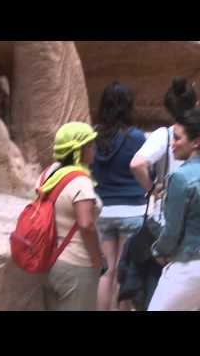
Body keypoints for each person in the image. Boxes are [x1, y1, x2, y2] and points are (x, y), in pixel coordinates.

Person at [90, 81, 147, 311]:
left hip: (102, 210)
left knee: (107, 271)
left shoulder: (91, 136)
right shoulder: (137, 138)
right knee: (125, 273)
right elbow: (145, 169)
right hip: (132, 211)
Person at [36, 122, 104, 311]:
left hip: (49, 261)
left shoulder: (48, 174)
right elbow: (86, 224)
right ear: (79, 150)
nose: (94, 149)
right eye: (90, 145)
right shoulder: (80, 182)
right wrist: (97, 259)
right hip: (77, 265)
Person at [147, 109, 200, 311]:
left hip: (188, 264)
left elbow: (172, 231)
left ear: (196, 142)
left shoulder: (180, 178)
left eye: (177, 138)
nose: (172, 144)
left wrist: (158, 251)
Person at [130, 77, 197, 221]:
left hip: (169, 212)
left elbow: (137, 164)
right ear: (195, 104)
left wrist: (152, 189)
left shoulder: (164, 135)